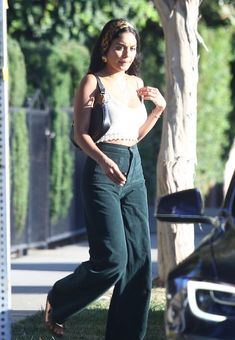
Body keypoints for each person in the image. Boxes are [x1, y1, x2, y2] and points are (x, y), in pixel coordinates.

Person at [44, 18, 166, 339]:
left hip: (133, 168)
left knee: (139, 263)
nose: (126, 54)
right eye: (119, 47)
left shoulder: (135, 83)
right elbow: (80, 134)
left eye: (132, 48)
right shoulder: (92, 82)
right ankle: (59, 299)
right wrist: (104, 160)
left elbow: (132, 136)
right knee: (112, 259)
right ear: (105, 47)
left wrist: (156, 111)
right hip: (102, 170)